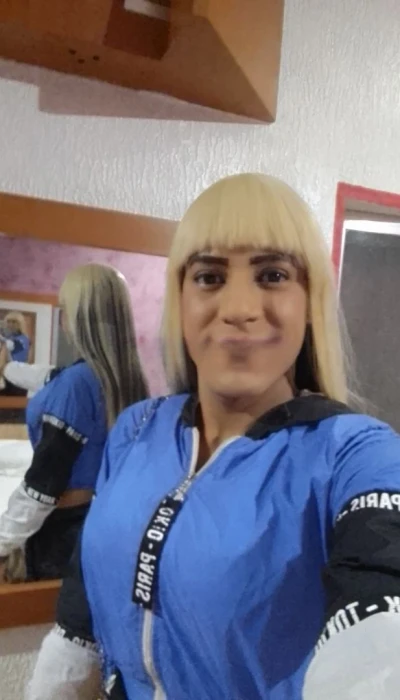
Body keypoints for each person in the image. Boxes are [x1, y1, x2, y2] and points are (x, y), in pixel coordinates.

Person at [27, 174, 400, 700]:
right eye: (209, 276)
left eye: (272, 275)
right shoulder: (136, 428)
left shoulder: (357, 453)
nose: (239, 307)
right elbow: (82, 604)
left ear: (309, 300)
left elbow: (380, 625)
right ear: (181, 298)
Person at [0, 263, 149, 583]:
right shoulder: (123, 380)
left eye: (65, 310)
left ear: (79, 318)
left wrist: (3, 541)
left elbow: (44, 482)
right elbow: (47, 376)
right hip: (101, 521)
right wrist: (7, 369)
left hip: (61, 531)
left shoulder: (75, 385)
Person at [0, 311, 31, 395]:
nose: (10, 324)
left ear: (20, 324)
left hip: (18, 377)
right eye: (8, 321)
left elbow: (11, 344)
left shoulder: (23, 339)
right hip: (7, 375)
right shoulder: (9, 337)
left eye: (14, 322)